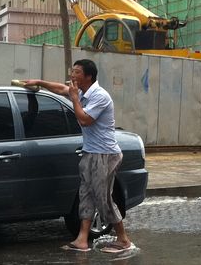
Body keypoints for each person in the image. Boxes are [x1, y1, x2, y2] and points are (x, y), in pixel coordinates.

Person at [25, 59, 132, 253]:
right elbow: (60, 89)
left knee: (103, 198)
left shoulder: (100, 96)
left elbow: (84, 120)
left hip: (105, 154)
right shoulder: (82, 92)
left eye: (76, 72)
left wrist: (74, 98)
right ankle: (82, 239)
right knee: (86, 195)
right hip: (90, 152)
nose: (72, 75)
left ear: (88, 76)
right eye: (72, 71)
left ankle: (123, 239)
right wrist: (39, 82)